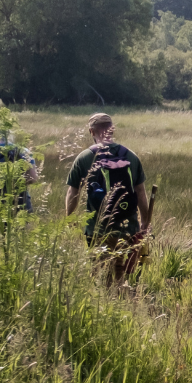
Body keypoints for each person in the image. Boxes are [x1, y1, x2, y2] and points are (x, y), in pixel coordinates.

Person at [65, 113, 151, 284]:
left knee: (101, 274)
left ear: (91, 131)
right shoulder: (131, 156)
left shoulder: (84, 158)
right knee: (121, 271)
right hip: (128, 227)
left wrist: (69, 218)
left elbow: (73, 193)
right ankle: (124, 302)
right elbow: (140, 192)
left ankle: (109, 305)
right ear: (112, 129)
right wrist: (145, 222)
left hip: (98, 229)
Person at [0, 111, 36, 215]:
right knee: (21, 229)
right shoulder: (23, 151)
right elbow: (33, 178)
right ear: (9, 134)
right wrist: (14, 185)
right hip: (21, 201)